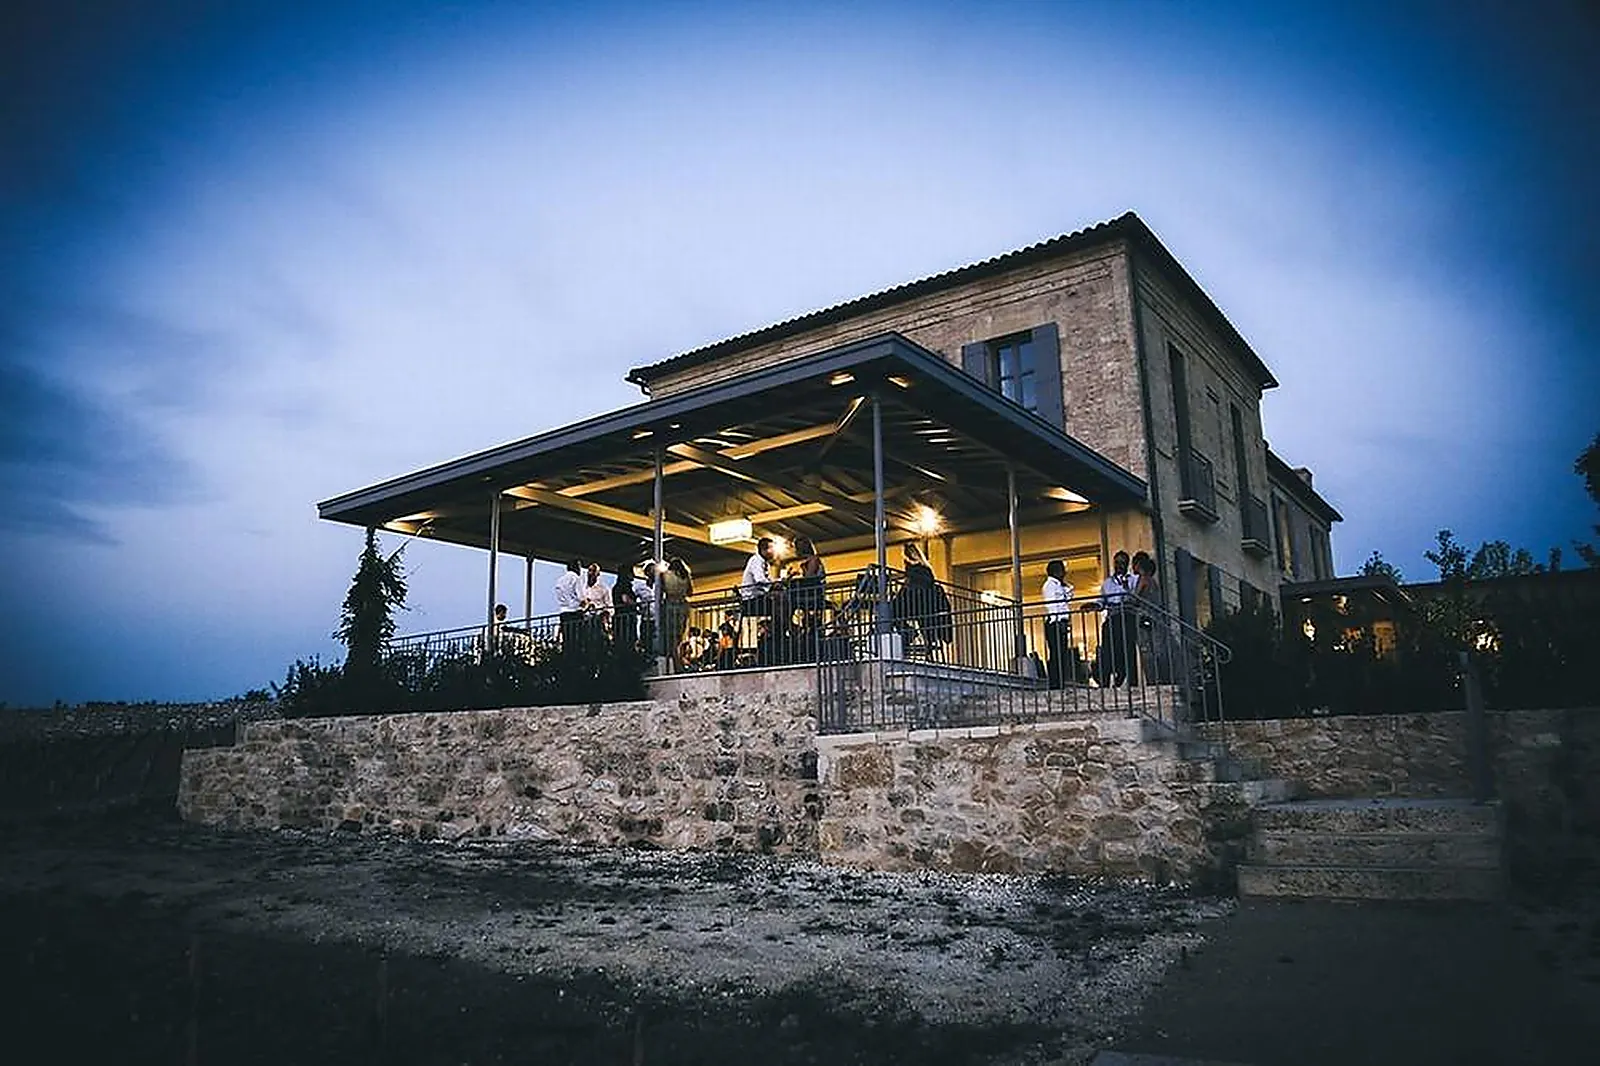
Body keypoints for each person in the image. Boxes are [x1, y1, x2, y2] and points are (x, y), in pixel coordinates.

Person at [892, 544, 953, 657]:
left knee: (890, 613)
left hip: (916, 604)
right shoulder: (926, 568)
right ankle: (917, 637)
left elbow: (910, 587)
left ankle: (908, 634)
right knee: (895, 611)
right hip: (927, 606)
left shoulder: (913, 569)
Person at [1097, 551, 1138, 687]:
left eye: (1122, 563)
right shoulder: (1107, 583)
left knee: (1127, 650)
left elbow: (1135, 598)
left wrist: (1126, 588)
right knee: (1108, 650)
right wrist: (1095, 605)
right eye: (1117, 562)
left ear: (1127, 564)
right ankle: (1106, 683)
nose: (1119, 565)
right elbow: (1101, 600)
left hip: (1127, 617)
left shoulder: (1133, 579)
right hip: (1112, 617)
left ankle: (1130, 682)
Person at [1131, 551, 1170, 684]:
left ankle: (1152, 680)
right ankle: (1163, 678)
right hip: (1155, 617)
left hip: (1144, 616)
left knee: (1146, 649)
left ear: (1138, 565)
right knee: (1157, 648)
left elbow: (1135, 598)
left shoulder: (1143, 579)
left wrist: (1127, 591)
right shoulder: (1153, 581)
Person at [1041, 560, 1074, 689]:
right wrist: (1058, 621)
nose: (1064, 573)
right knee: (1056, 654)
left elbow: (1070, 595)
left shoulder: (1059, 585)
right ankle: (1055, 684)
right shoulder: (1049, 585)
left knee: (1062, 654)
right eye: (1062, 570)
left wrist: (1065, 585)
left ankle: (1060, 682)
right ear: (1056, 571)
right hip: (1055, 622)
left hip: (1061, 622)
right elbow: (1052, 605)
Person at [659, 556, 693, 668]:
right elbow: (690, 592)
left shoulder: (665, 575)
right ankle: (677, 664)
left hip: (670, 606)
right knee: (678, 637)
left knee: (670, 638)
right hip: (683, 607)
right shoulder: (686, 576)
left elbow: (661, 590)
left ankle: (674, 665)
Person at [553, 560, 585, 659]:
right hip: (575, 613)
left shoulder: (560, 580)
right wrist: (586, 604)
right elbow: (581, 597)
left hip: (563, 613)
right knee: (577, 642)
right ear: (576, 567)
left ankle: (567, 660)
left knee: (567, 641)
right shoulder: (576, 578)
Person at [612, 563, 639, 655]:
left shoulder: (616, 587)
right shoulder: (624, 586)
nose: (633, 576)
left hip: (620, 618)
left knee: (621, 641)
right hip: (626, 618)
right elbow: (625, 599)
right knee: (627, 640)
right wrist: (636, 606)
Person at [634, 562, 658, 659]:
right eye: (652, 570)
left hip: (659, 619)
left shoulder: (660, 586)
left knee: (657, 642)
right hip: (646, 619)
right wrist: (639, 609)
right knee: (646, 641)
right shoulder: (640, 587)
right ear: (647, 573)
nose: (654, 573)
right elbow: (633, 599)